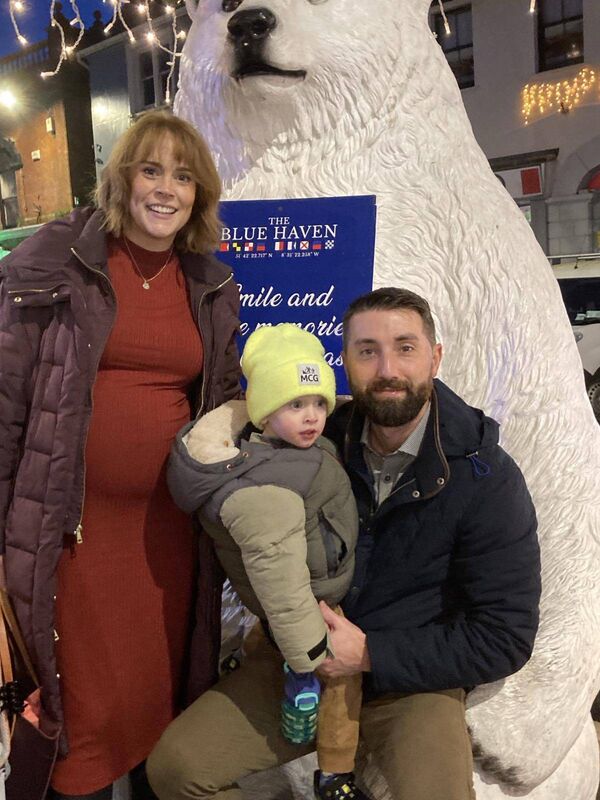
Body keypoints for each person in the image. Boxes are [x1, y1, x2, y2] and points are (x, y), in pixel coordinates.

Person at [146, 287, 541, 800]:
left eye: (405, 347)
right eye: (366, 351)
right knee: (176, 770)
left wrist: (371, 653)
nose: (386, 369)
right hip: (300, 664)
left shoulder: (484, 476)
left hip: (410, 679)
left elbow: (504, 636)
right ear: (345, 362)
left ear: (435, 357)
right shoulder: (311, 439)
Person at [0, 110, 241, 800]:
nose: (166, 188)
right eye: (152, 169)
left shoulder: (209, 285)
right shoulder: (55, 264)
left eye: (184, 175)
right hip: (69, 539)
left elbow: (220, 398)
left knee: (152, 698)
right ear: (122, 179)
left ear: (199, 195)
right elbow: (7, 402)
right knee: (80, 717)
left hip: (167, 540)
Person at [166, 324, 369, 800]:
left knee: (269, 637)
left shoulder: (284, 453)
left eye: (319, 402)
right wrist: (313, 657)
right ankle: (336, 773)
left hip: (305, 595)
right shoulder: (267, 488)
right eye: (295, 404)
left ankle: (273, 665)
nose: (313, 416)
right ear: (263, 411)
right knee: (342, 688)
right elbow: (281, 580)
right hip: (317, 611)